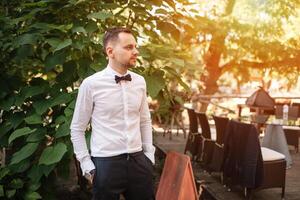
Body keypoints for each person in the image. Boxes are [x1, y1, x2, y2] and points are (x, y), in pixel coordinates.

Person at [70, 27, 155, 200]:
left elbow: (145, 121)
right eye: (129, 47)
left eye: (135, 46)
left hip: (139, 162)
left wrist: (149, 156)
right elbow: (77, 128)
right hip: (106, 164)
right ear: (110, 51)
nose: (136, 51)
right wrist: (87, 166)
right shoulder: (91, 84)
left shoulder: (139, 82)